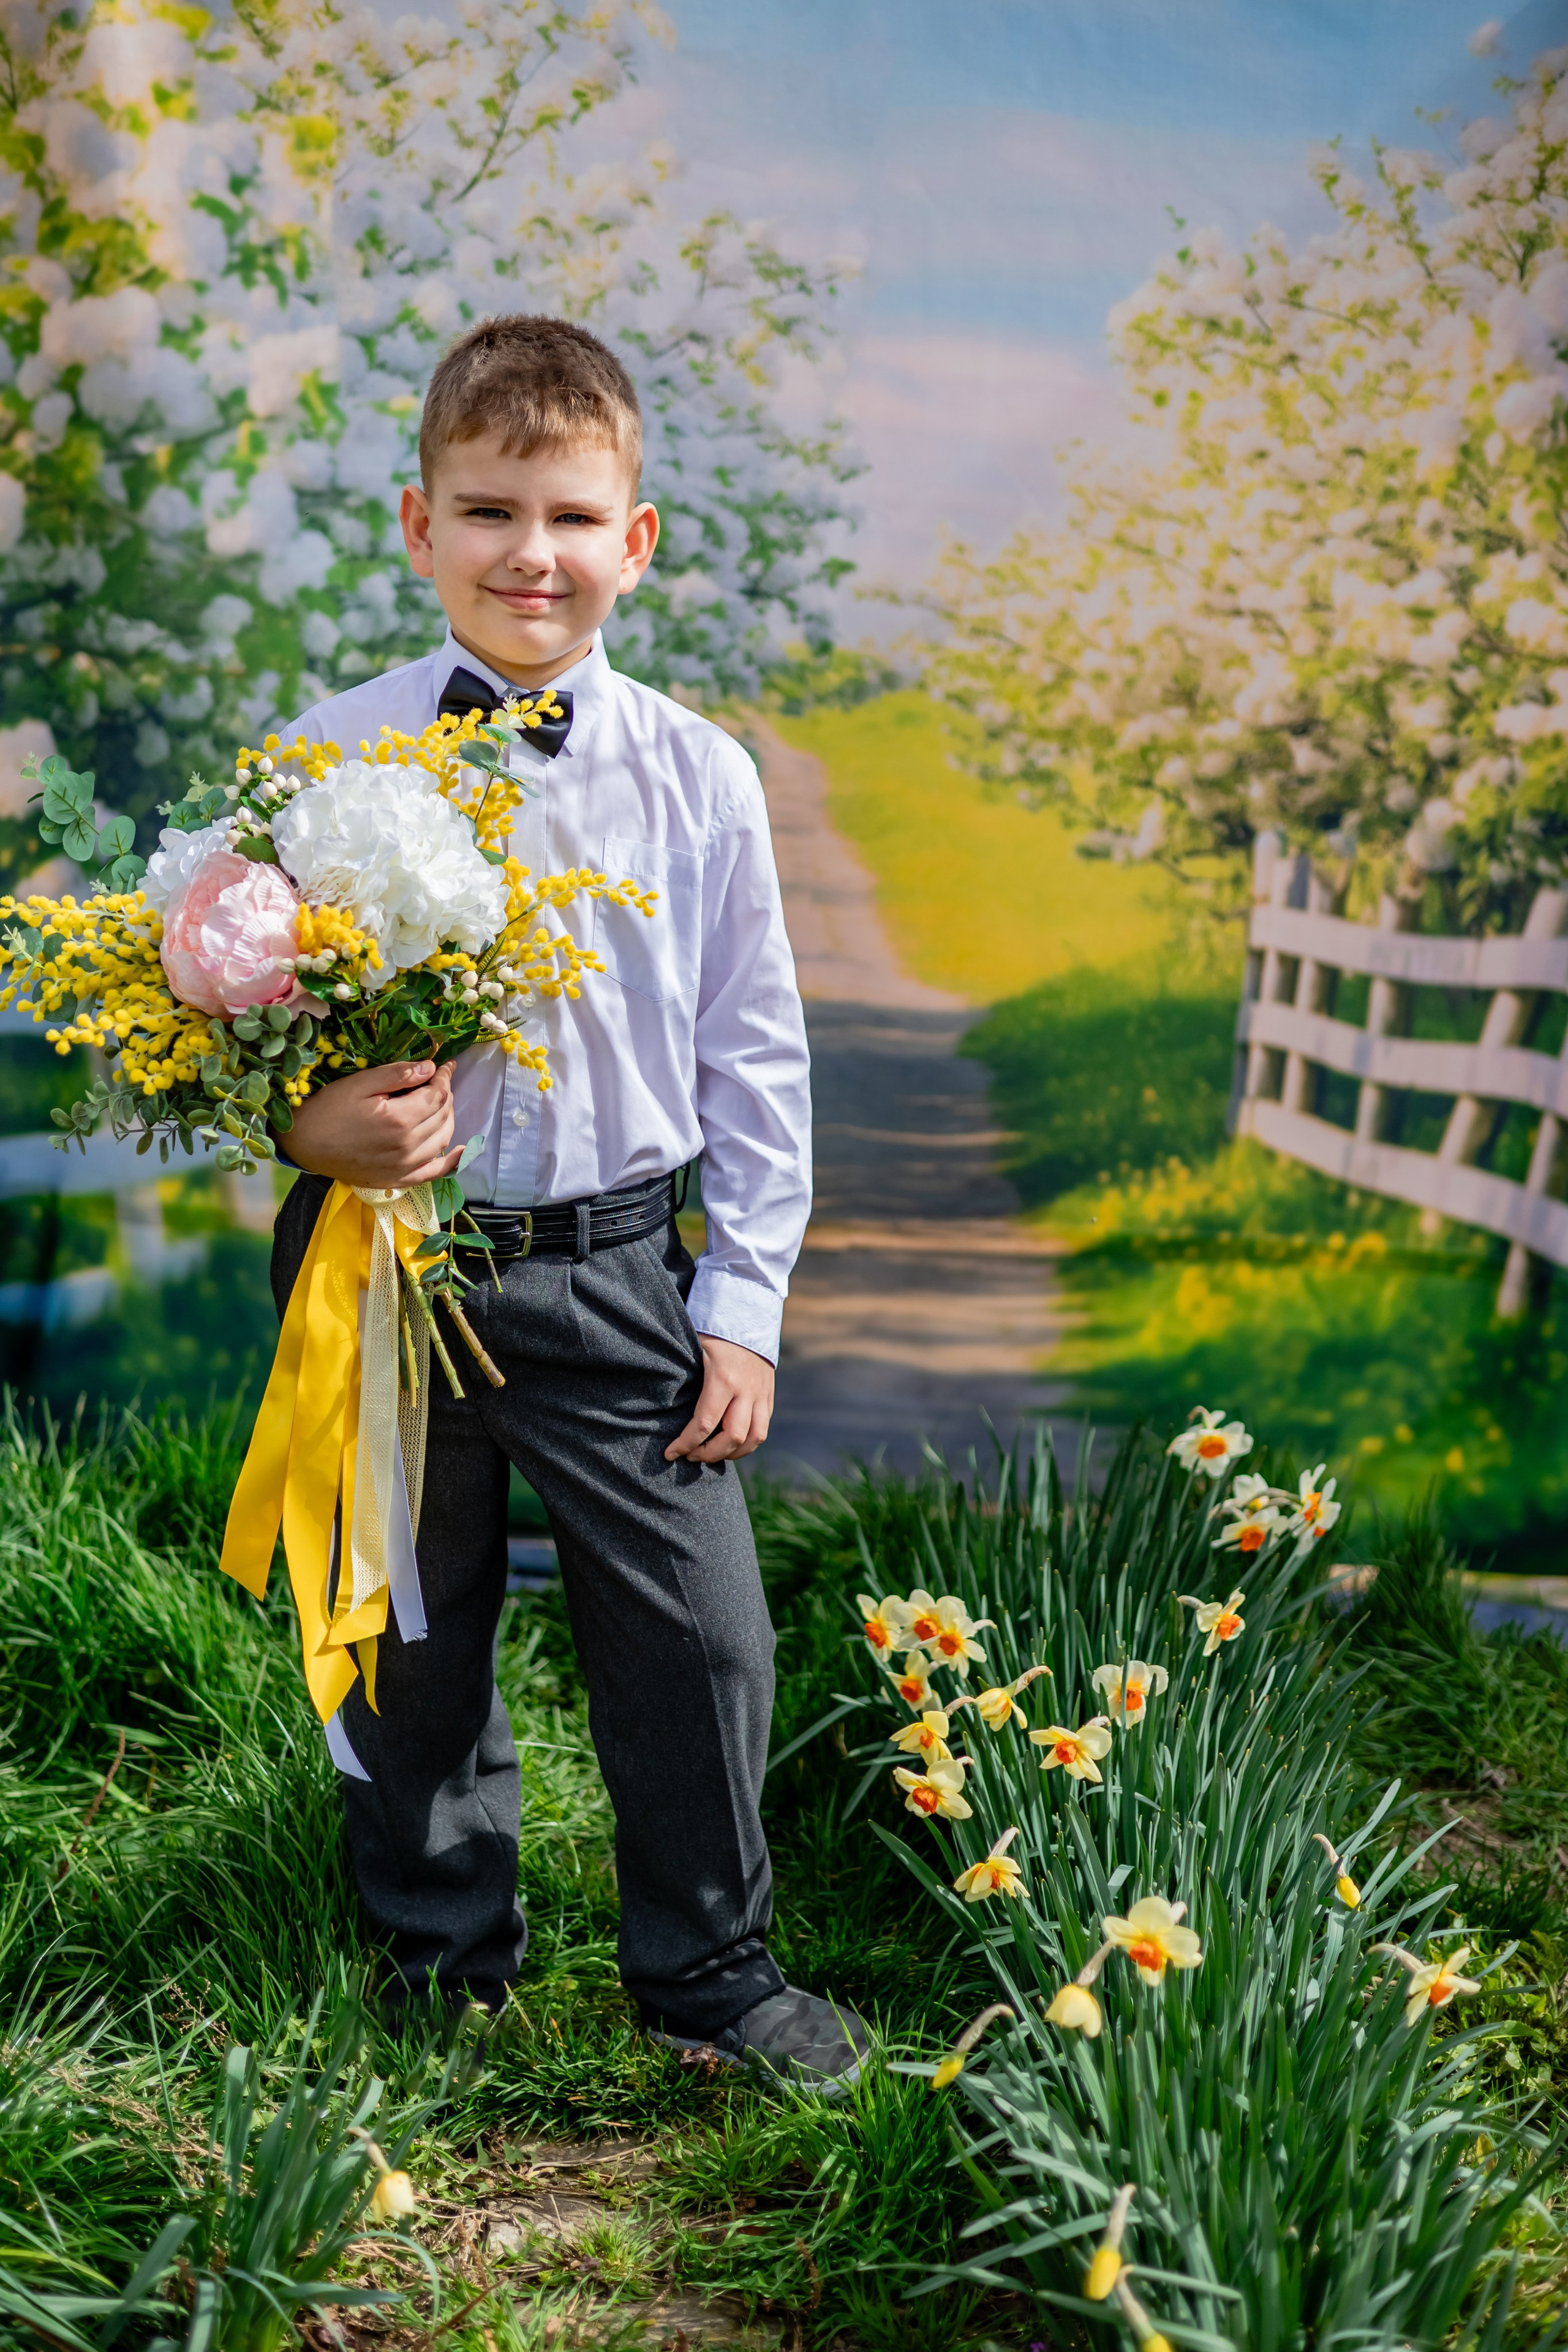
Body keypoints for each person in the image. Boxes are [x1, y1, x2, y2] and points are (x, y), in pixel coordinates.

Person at [269, 313, 867, 2091]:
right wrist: (318, 1135)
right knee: (404, 1631)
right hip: (387, 1273)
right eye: (488, 510)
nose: (532, 552)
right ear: (417, 526)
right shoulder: (322, 759)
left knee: (701, 1639)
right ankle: (436, 1963)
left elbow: (757, 1055)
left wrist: (741, 1302)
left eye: (571, 516)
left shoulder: (698, 776)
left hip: (616, 1274)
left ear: (638, 538)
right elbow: (226, 1034)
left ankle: (712, 1970)